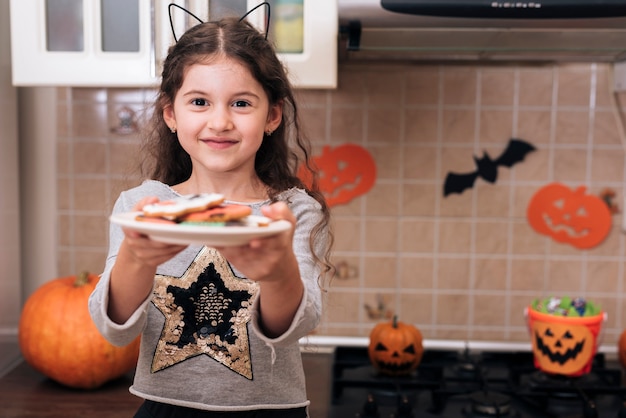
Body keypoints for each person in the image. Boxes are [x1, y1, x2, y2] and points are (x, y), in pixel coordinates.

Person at [88, 14, 333, 418]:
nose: (219, 122)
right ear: (171, 114)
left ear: (272, 116)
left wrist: (276, 273)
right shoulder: (143, 206)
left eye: (241, 103)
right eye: (199, 102)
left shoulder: (293, 211)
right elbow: (114, 330)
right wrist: (138, 257)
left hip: (272, 411)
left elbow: (295, 325)